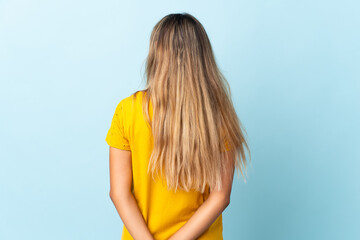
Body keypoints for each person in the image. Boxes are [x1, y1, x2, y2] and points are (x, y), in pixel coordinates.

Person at [105, 12, 251, 240]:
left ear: (156, 53)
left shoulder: (128, 110)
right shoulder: (217, 115)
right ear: (202, 57)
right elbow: (220, 196)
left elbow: (119, 193)